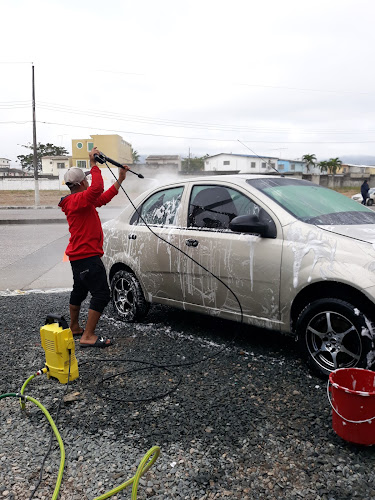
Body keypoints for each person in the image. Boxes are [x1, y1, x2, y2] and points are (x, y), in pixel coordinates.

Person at [59, 147, 129, 347]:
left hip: (77, 256)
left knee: (79, 291)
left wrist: (121, 179)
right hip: (87, 256)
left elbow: (103, 197)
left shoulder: (80, 201)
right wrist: (93, 164)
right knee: (101, 294)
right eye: (87, 179)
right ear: (82, 183)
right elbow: (97, 189)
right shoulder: (78, 200)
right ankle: (88, 336)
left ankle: (74, 327)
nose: (89, 180)